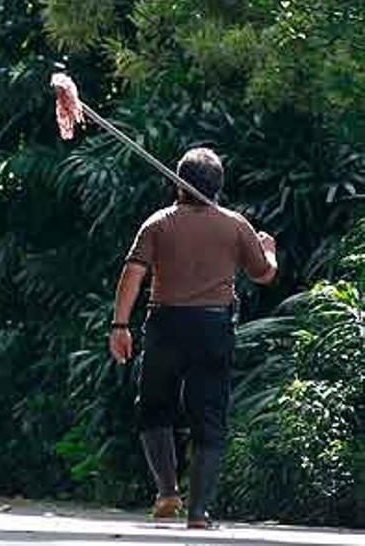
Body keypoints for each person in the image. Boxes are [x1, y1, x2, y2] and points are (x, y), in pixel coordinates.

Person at [109, 148, 277, 529]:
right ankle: (198, 513)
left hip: (165, 324)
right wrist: (269, 251)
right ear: (218, 185)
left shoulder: (158, 223)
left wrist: (120, 325)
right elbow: (264, 275)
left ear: (178, 182)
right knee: (209, 415)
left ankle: (167, 491)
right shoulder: (235, 226)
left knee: (154, 406)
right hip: (212, 328)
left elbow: (133, 274)